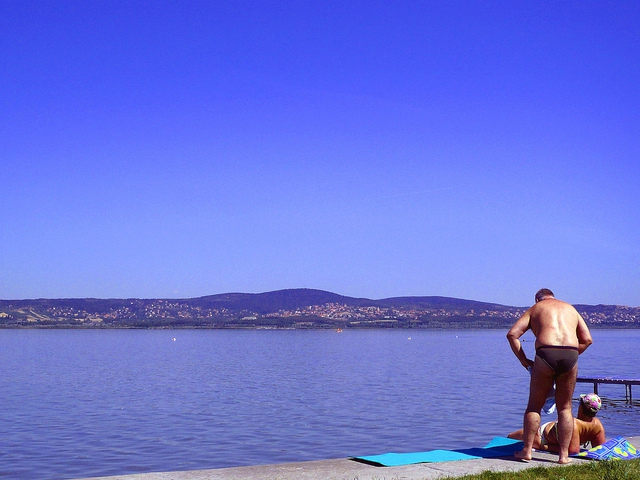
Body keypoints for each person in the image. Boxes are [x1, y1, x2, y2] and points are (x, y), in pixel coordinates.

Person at [507, 288, 593, 464]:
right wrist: (571, 356)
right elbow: (587, 340)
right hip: (570, 353)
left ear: (538, 299)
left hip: (545, 352)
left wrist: (524, 360)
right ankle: (563, 456)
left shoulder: (536, 308)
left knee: (534, 406)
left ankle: (527, 451)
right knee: (565, 408)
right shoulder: (570, 308)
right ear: (552, 296)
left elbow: (512, 334)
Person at [508, 393, 605, 455]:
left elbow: (573, 451)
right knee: (510, 438)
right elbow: (600, 449)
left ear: (580, 408)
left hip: (542, 438)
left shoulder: (573, 424)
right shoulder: (597, 425)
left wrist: (548, 447)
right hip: (545, 432)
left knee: (510, 437)